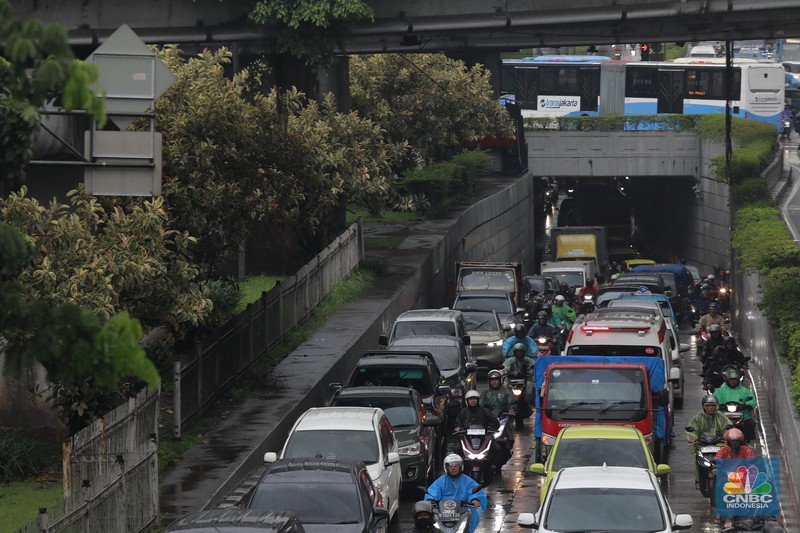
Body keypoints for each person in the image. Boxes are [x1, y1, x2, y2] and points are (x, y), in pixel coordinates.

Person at [425, 454, 487, 533]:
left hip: (462, 510)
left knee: (474, 511)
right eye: (450, 466)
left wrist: (474, 499)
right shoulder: (441, 480)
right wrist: (430, 499)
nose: (453, 468)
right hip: (442, 511)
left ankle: (468, 531)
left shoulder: (467, 480)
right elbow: (433, 491)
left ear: (461, 466)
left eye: (456, 466)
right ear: (446, 468)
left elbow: (474, 491)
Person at [713, 428, 757, 530]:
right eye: (732, 442)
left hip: (742, 478)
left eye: (737, 441)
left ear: (741, 442)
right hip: (726, 477)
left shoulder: (745, 450)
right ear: (728, 442)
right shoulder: (724, 450)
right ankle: (719, 512)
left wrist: (752, 468)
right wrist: (717, 467)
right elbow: (717, 460)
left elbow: (753, 461)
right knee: (719, 486)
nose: (734, 444)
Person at [685, 395, 732, 485]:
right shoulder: (698, 417)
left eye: (713, 405)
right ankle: (698, 480)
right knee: (698, 460)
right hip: (702, 444)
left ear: (716, 406)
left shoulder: (721, 417)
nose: (711, 408)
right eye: (708, 406)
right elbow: (691, 429)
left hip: (719, 444)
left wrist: (727, 436)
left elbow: (727, 427)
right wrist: (693, 438)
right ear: (704, 406)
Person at [480, 369, 517, 467]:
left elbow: (512, 403)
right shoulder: (485, 394)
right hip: (488, 421)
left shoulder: (506, 392)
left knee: (508, 438)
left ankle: (507, 451)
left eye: (496, 379)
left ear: (500, 380)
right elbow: (480, 406)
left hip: (502, 419)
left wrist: (511, 409)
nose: (494, 382)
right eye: (492, 380)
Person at [713, 367, 758, 442]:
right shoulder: (720, 391)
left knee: (750, 423)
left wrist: (747, 405)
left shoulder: (745, 391)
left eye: (734, 380)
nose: (733, 381)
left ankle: (748, 440)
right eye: (731, 380)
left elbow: (751, 400)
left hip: (743, 416)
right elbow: (714, 400)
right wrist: (720, 406)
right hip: (723, 415)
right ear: (727, 380)